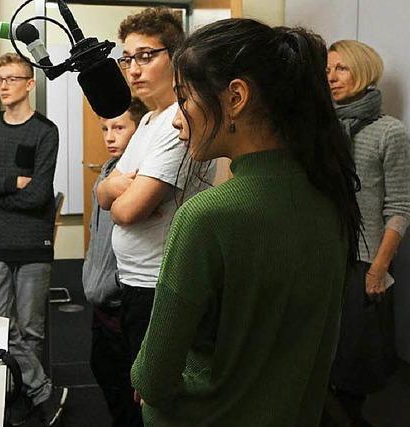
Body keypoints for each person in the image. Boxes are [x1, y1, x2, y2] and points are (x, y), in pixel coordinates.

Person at [130, 19, 363, 426]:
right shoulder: (332, 201)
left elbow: (152, 377)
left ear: (235, 97)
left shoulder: (206, 217)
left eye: (185, 98)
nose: (176, 118)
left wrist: (145, 382)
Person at [96, 9, 213, 424]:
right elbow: (104, 190)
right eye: (127, 59)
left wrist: (114, 192)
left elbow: (127, 209)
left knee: (153, 396)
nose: (133, 69)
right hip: (133, 281)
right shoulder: (146, 119)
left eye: (146, 56)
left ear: (176, 56)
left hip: (160, 283)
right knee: (126, 383)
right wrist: (110, 188)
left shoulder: (177, 122)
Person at [0, 52, 63, 426]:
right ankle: (40, 390)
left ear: (30, 83)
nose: (3, 85)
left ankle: (20, 399)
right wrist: (9, 182)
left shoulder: (45, 131)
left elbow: (39, 196)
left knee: (31, 329)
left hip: (34, 243)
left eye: (11, 78)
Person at [325, 40, 410, 425]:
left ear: (363, 70)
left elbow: (400, 208)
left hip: (362, 261)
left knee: (353, 369)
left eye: (340, 68)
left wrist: (378, 268)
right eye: (327, 70)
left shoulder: (391, 132)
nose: (331, 77)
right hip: (320, 255)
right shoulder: (318, 126)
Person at [83, 97, 148, 427]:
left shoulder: (137, 177)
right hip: (99, 302)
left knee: (131, 397)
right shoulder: (108, 172)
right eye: (105, 128)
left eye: (119, 128)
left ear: (138, 131)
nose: (109, 136)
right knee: (103, 372)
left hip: (122, 304)